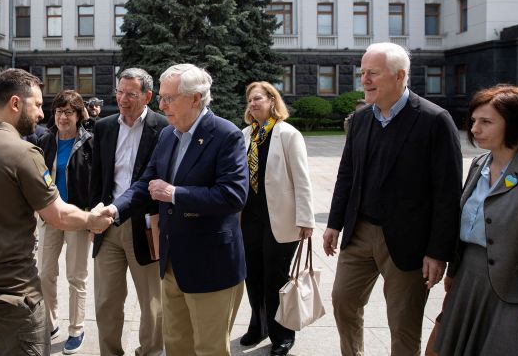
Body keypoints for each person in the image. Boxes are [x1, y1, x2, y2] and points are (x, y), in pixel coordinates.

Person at [0, 68, 115, 355]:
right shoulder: (23, 153)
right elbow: (57, 214)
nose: (42, 115)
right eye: (36, 104)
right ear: (15, 103)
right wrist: (91, 219)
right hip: (10, 301)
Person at [322, 42, 462, 356]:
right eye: (362, 73)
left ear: (400, 76)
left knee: (403, 324)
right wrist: (334, 223)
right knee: (343, 300)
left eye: (373, 73)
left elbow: (447, 193)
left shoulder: (434, 121)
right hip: (359, 232)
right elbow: (347, 175)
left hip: (408, 241)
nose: (364, 81)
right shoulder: (360, 120)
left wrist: (438, 252)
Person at [109, 63, 249, 356]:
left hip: (211, 266)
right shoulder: (168, 135)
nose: (161, 105)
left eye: (169, 98)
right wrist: (113, 210)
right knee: (176, 346)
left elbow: (233, 195)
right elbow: (145, 182)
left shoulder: (226, 135)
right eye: (161, 97)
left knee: (209, 349)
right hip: (171, 262)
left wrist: (175, 194)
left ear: (196, 98)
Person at [434, 85, 518, 355]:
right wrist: (453, 271)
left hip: (509, 287)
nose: (474, 129)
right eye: (473, 121)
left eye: (486, 122)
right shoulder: (479, 164)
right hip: (468, 276)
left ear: (515, 125)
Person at [89, 68, 168, 356]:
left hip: (146, 226)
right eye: (119, 92)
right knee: (106, 300)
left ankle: (150, 352)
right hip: (108, 226)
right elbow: (96, 177)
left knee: (153, 302)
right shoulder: (105, 126)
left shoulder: (163, 128)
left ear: (147, 96)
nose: (123, 99)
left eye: (131, 94)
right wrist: (92, 217)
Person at [239, 82, 315, 356]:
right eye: (249, 100)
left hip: (281, 218)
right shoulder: (246, 134)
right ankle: (257, 325)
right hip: (249, 219)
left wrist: (306, 220)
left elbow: (302, 180)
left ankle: (281, 333)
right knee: (253, 275)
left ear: (273, 100)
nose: (252, 104)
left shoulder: (287, 134)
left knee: (276, 278)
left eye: (257, 98)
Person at [36, 90, 93, 354]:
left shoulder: (89, 142)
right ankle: (50, 323)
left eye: (68, 112)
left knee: (76, 276)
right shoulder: (46, 140)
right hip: (49, 216)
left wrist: (92, 217)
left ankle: (76, 328)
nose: (62, 117)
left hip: (78, 216)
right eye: (58, 111)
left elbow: (97, 181)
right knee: (46, 273)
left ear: (79, 114)